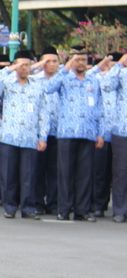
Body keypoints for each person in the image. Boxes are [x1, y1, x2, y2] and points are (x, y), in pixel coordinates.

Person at [40, 46, 104, 221]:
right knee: (65, 172)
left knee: (85, 174)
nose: (81, 63)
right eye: (77, 59)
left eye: (84, 60)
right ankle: (64, 209)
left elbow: (100, 107)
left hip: (88, 132)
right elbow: (48, 88)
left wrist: (100, 133)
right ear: (71, 61)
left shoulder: (93, 81)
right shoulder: (64, 78)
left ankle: (82, 210)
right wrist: (65, 68)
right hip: (67, 132)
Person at [0, 50, 48, 219]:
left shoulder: (37, 86)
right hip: (9, 135)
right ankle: (9, 206)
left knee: (28, 175)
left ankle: (28, 208)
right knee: (8, 175)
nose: (24, 68)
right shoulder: (7, 82)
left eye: (27, 65)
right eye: (21, 65)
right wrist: (9, 69)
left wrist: (42, 137)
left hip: (29, 137)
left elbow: (44, 112)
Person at [98, 52, 127, 223]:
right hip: (122, 129)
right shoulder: (122, 73)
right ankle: (120, 210)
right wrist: (120, 64)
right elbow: (107, 85)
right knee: (121, 172)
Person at [33, 46, 61, 213]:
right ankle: (36, 203)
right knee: (37, 170)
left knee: (55, 170)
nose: (51, 64)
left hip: (59, 132)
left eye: (54, 61)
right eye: (47, 61)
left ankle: (54, 203)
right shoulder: (34, 80)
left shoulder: (64, 79)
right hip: (38, 132)